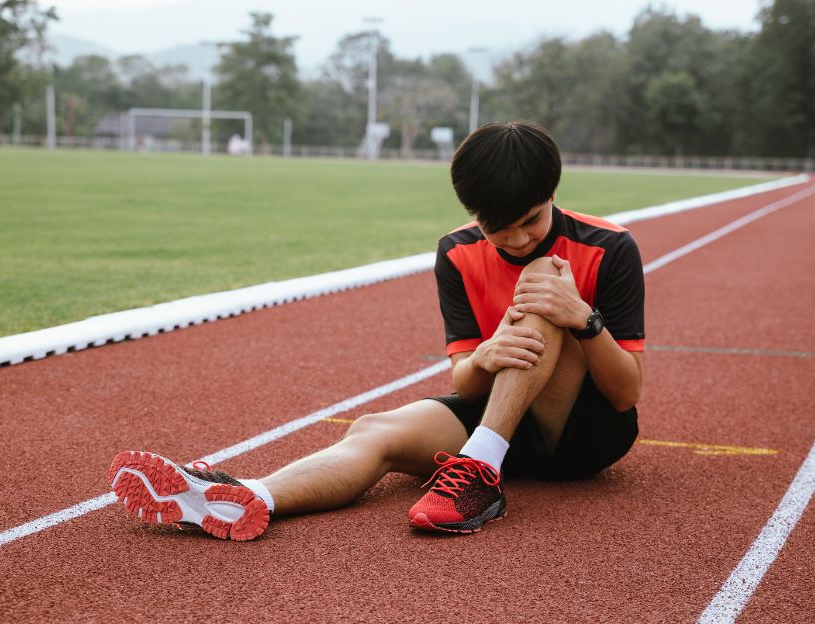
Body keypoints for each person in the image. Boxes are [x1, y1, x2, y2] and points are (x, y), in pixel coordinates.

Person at [109, 120, 645, 540]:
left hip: (583, 434)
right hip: (500, 424)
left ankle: (479, 471)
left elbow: (625, 394)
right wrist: (484, 356)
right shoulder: (456, 252)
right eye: (497, 228)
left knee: (545, 283)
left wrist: (583, 319)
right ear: (473, 214)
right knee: (373, 429)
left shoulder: (609, 246)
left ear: (553, 193)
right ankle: (246, 496)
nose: (519, 239)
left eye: (531, 220)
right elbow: (468, 385)